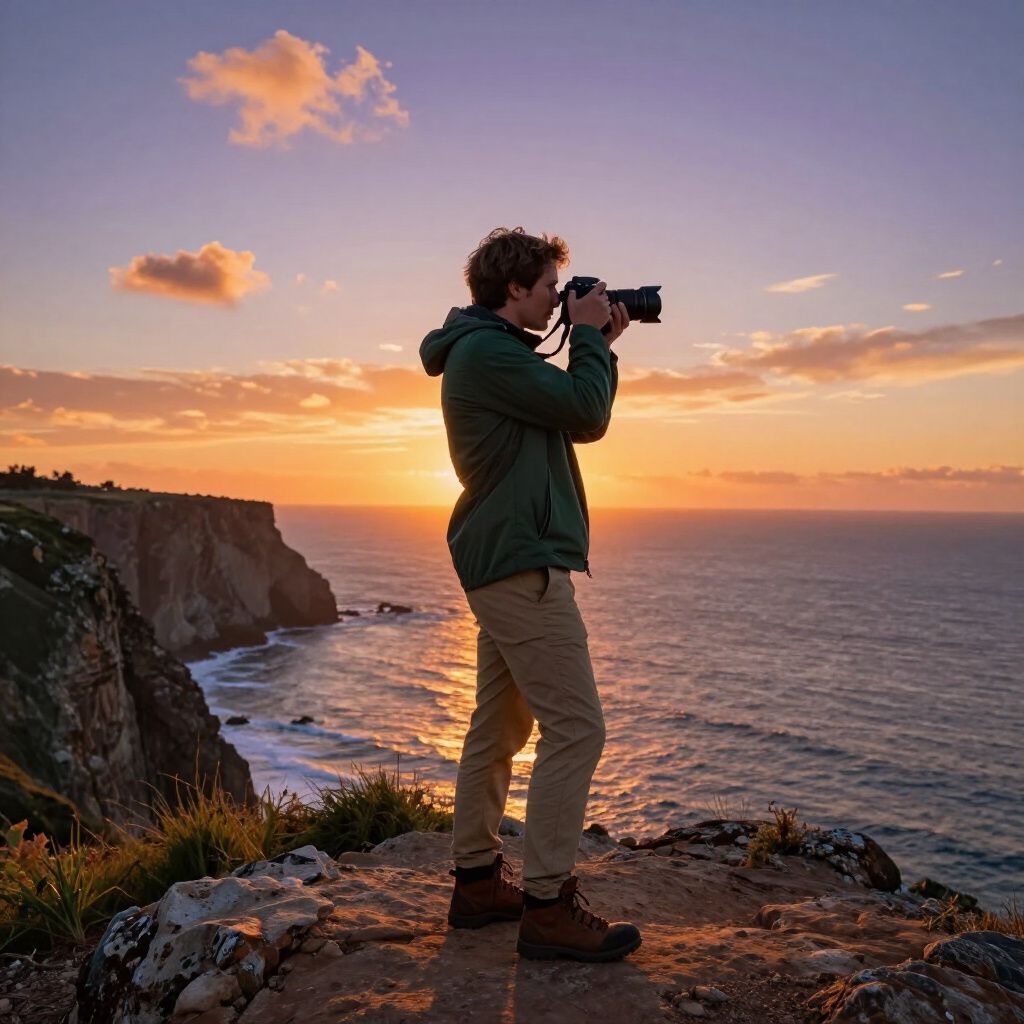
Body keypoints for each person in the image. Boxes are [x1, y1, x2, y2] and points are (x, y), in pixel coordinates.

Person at [419, 227, 642, 962]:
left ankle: (478, 883)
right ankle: (547, 905)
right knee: (578, 728)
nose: (558, 299)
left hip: (507, 557)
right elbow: (587, 414)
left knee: (499, 725)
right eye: (550, 287)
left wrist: (595, 341)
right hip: (521, 565)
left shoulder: (497, 352)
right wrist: (589, 341)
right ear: (513, 287)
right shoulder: (487, 354)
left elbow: (571, 419)